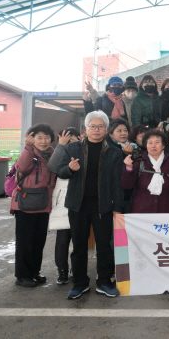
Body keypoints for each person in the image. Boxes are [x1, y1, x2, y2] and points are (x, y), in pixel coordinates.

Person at [57, 111, 124, 299]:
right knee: (79, 245)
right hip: (77, 205)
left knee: (104, 245)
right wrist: (70, 169)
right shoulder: (73, 149)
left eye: (100, 126)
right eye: (92, 126)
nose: (96, 130)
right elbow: (60, 171)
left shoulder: (114, 152)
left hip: (103, 205)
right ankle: (79, 283)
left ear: (106, 129)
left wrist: (117, 207)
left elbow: (117, 183)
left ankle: (104, 281)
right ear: (86, 129)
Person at [10, 124, 57, 288]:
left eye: (47, 137)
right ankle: (22, 275)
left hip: (43, 202)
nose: (44, 141)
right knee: (25, 241)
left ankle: (34, 272)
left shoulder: (52, 154)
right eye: (39, 137)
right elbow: (22, 167)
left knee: (39, 240)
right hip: (25, 202)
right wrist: (28, 147)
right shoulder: (29, 152)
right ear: (32, 138)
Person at [47, 127, 81, 285]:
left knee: (79, 239)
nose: (70, 143)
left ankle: (76, 268)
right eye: (68, 140)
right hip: (62, 199)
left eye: (73, 139)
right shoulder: (60, 151)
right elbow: (53, 167)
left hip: (80, 197)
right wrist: (61, 145)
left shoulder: (82, 148)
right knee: (62, 239)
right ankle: (62, 271)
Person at [122, 129, 169, 213]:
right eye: (150, 143)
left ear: (163, 145)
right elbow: (127, 186)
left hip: (166, 212)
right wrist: (129, 169)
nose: (153, 146)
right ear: (146, 145)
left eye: (157, 142)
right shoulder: (139, 162)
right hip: (141, 212)